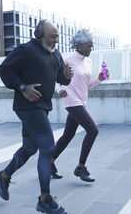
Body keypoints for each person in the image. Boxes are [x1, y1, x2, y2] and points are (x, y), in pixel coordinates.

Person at [0, 19, 73, 214]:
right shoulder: (26, 50)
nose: (55, 40)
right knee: (48, 148)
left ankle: (3, 176)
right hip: (28, 106)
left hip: (42, 106)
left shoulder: (55, 54)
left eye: (57, 37)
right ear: (40, 34)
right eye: (52, 36)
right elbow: (4, 69)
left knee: (30, 147)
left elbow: (61, 79)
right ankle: (44, 199)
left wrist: (67, 75)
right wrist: (22, 88)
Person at [51, 29, 109, 182]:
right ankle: (80, 167)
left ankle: (49, 162)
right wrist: (60, 89)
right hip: (71, 100)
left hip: (81, 101)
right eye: (89, 46)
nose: (91, 48)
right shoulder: (68, 60)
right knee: (93, 130)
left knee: (68, 135)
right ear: (79, 45)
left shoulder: (88, 62)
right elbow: (56, 79)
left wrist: (99, 78)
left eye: (92, 45)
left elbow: (86, 84)